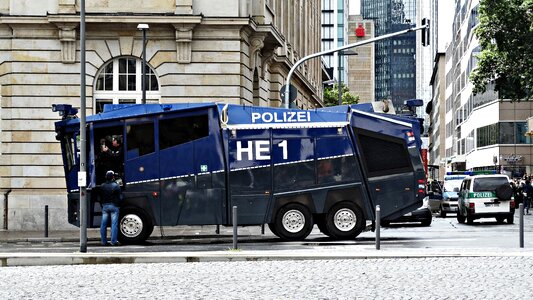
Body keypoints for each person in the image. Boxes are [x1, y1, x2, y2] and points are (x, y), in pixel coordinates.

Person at [99, 170, 123, 246]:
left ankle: (103, 241)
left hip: (105, 206)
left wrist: (102, 204)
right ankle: (113, 241)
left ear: (106, 177)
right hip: (114, 206)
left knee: (103, 225)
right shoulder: (116, 186)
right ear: (113, 177)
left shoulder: (102, 186)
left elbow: (99, 197)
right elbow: (120, 197)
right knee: (114, 224)